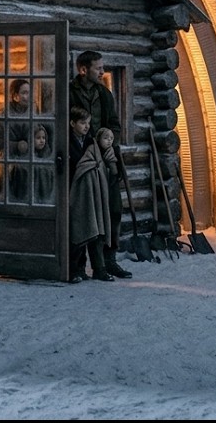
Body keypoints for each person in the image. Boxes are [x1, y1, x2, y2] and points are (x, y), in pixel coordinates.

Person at [69, 51, 132, 279]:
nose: (102, 72)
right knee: (87, 213)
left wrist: (107, 142)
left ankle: (109, 260)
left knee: (113, 210)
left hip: (105, 161)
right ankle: (87, 266)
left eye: (103, 68)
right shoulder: (69, 93)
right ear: (83, 70)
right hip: (82, 163)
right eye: (98, 68)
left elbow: (114, 124)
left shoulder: (104, 94)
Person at [67, 106, 114, 283]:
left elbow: (96, 161)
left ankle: (96, 268)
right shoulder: (68, 142)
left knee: (94, 226)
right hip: (75, 189)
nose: (86, 126)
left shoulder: (90, 142)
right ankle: (74, 269)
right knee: (78, 227)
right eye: (82, 123)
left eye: (88, 123)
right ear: (72, 123)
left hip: (91, 190)